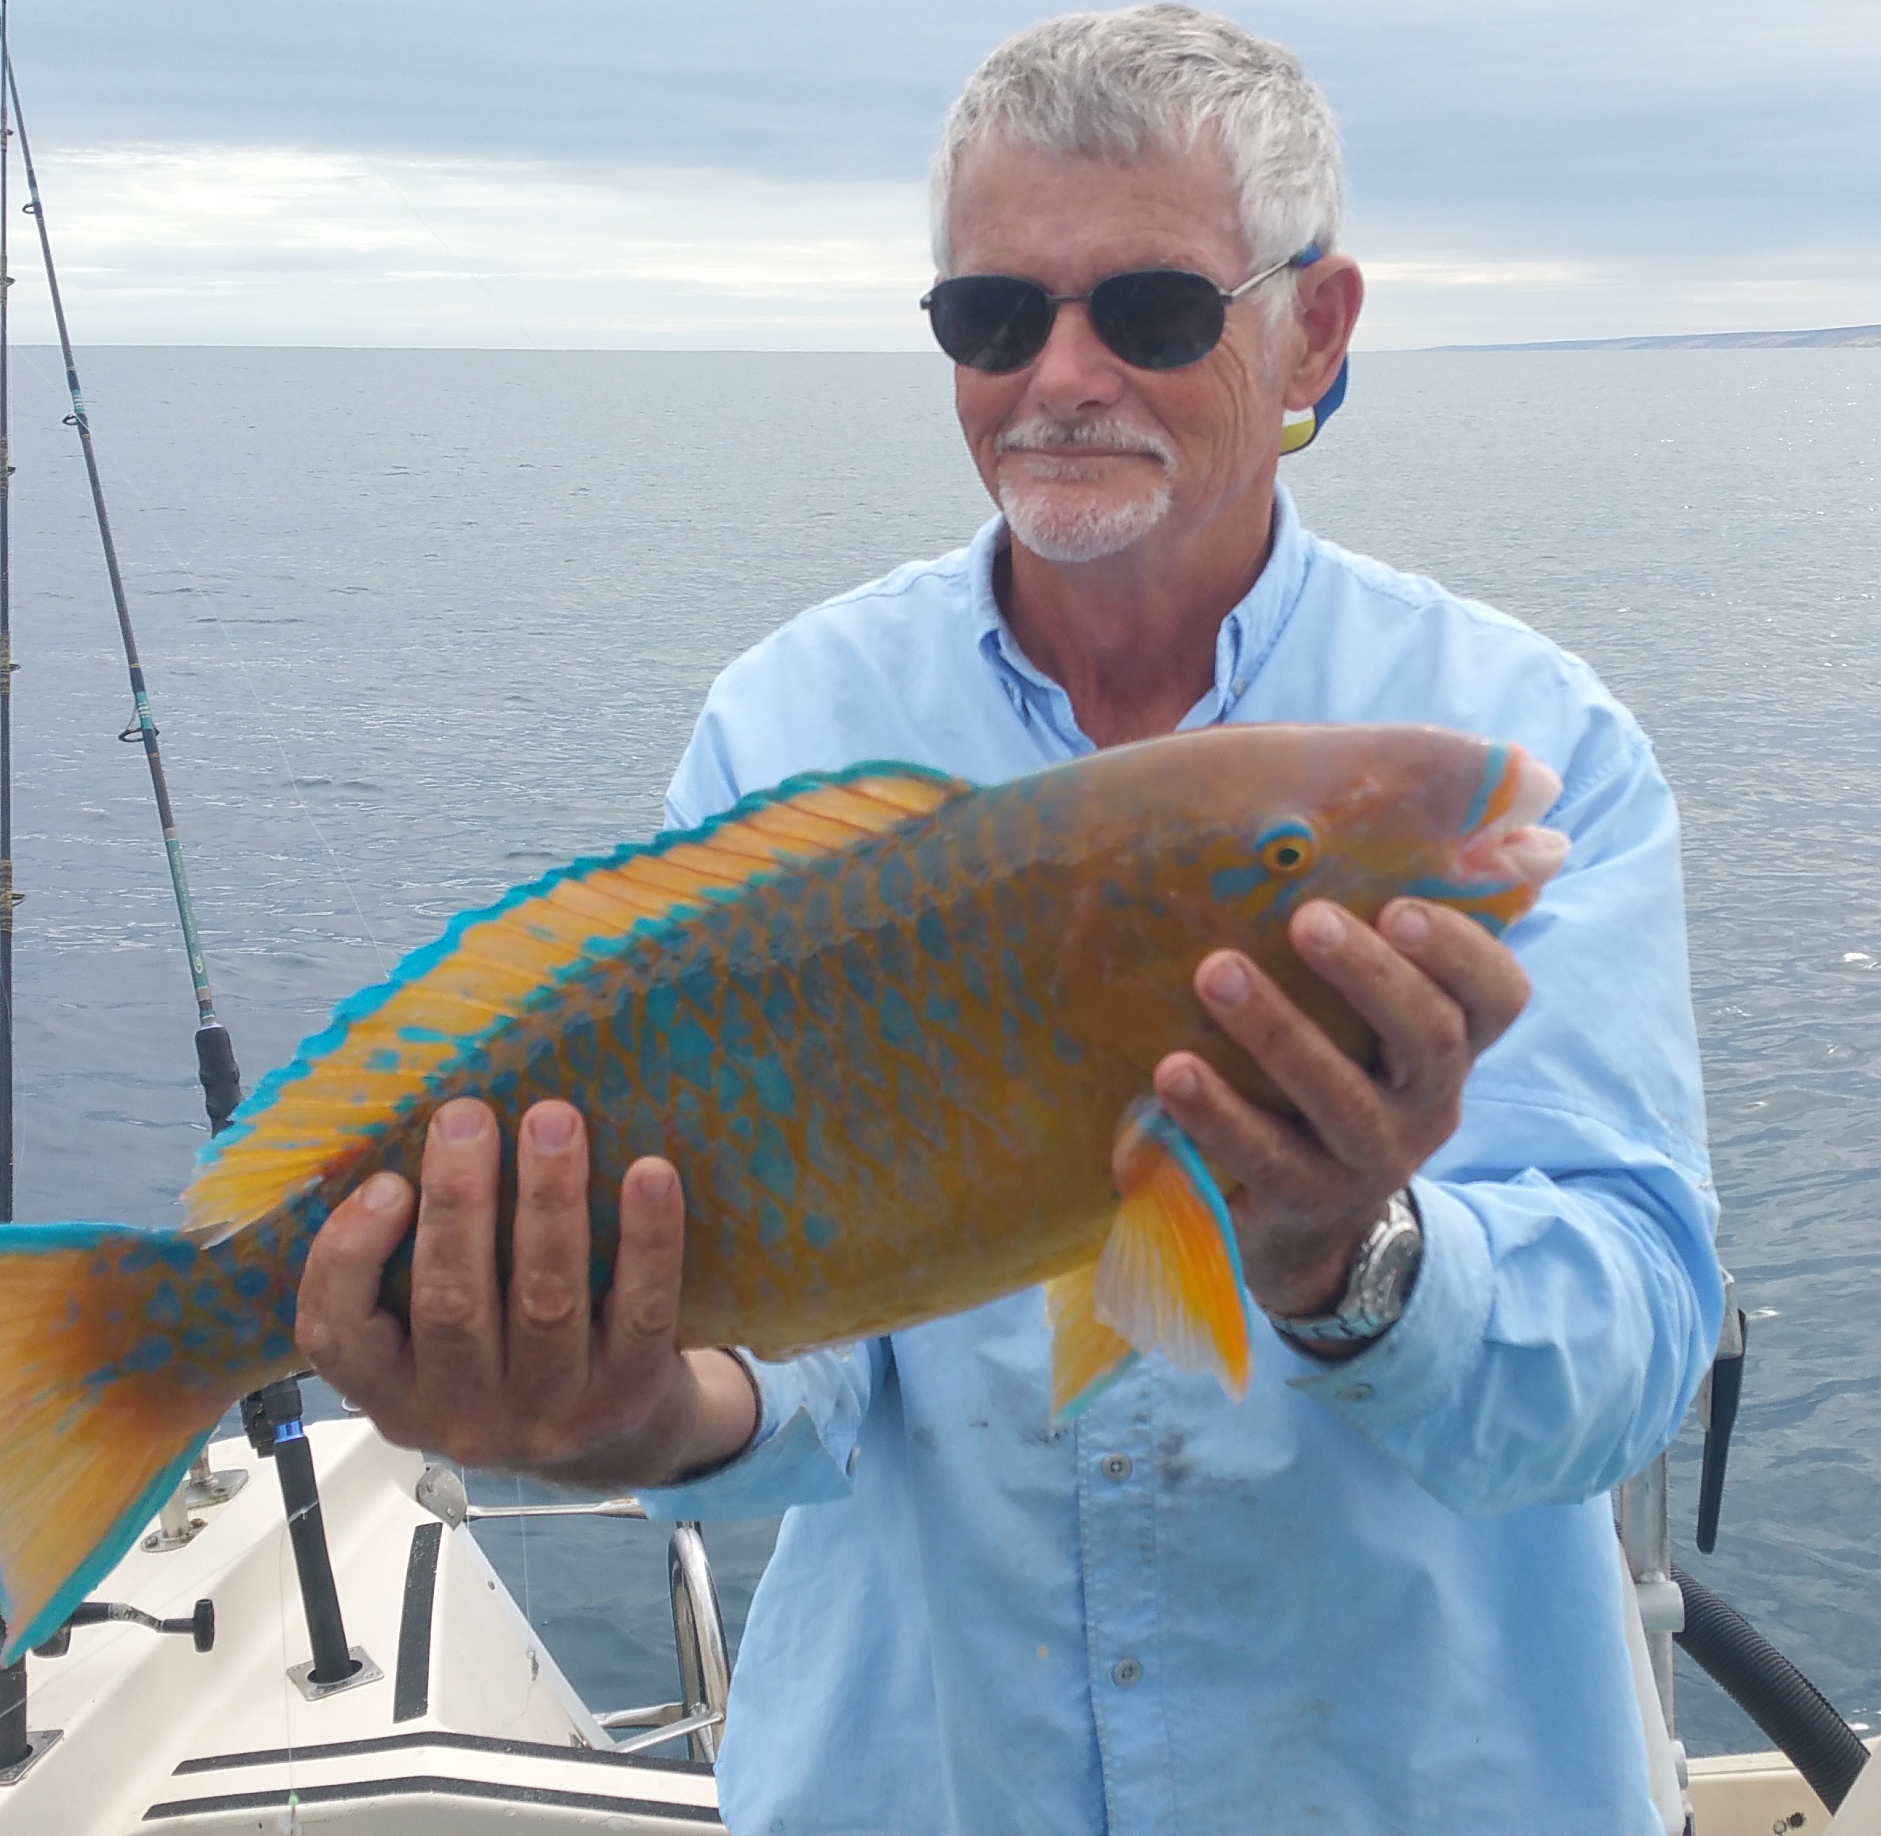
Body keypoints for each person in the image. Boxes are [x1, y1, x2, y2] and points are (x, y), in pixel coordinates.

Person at [296, 7, 1722, 1829]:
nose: (1060, 375)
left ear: (1316, 327)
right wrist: (627, 1410)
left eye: (1153, 311)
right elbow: (809, 1364)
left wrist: (1347, 1256)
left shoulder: (1516, 755)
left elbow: (1627, 1357)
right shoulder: (796, 724)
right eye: (990, 316)